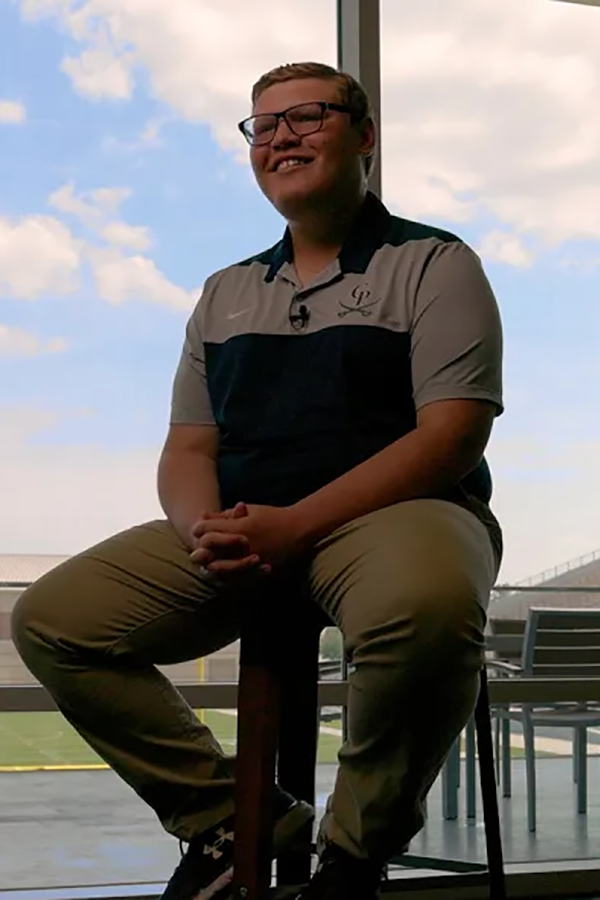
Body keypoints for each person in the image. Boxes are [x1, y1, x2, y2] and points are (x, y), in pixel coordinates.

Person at [11, 61, 504, 900]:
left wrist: (297, 525)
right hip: (247, 520)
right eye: (263, 124)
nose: (281, 136)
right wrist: (204, 528)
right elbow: (188, 448)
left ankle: (350, 856)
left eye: (308, 117)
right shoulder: (225, 291)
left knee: (425, 607)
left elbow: (450, 436)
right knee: (54, 622)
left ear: (367, 138)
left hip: (397, 513)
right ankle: (225, 820)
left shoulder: (434, 262)